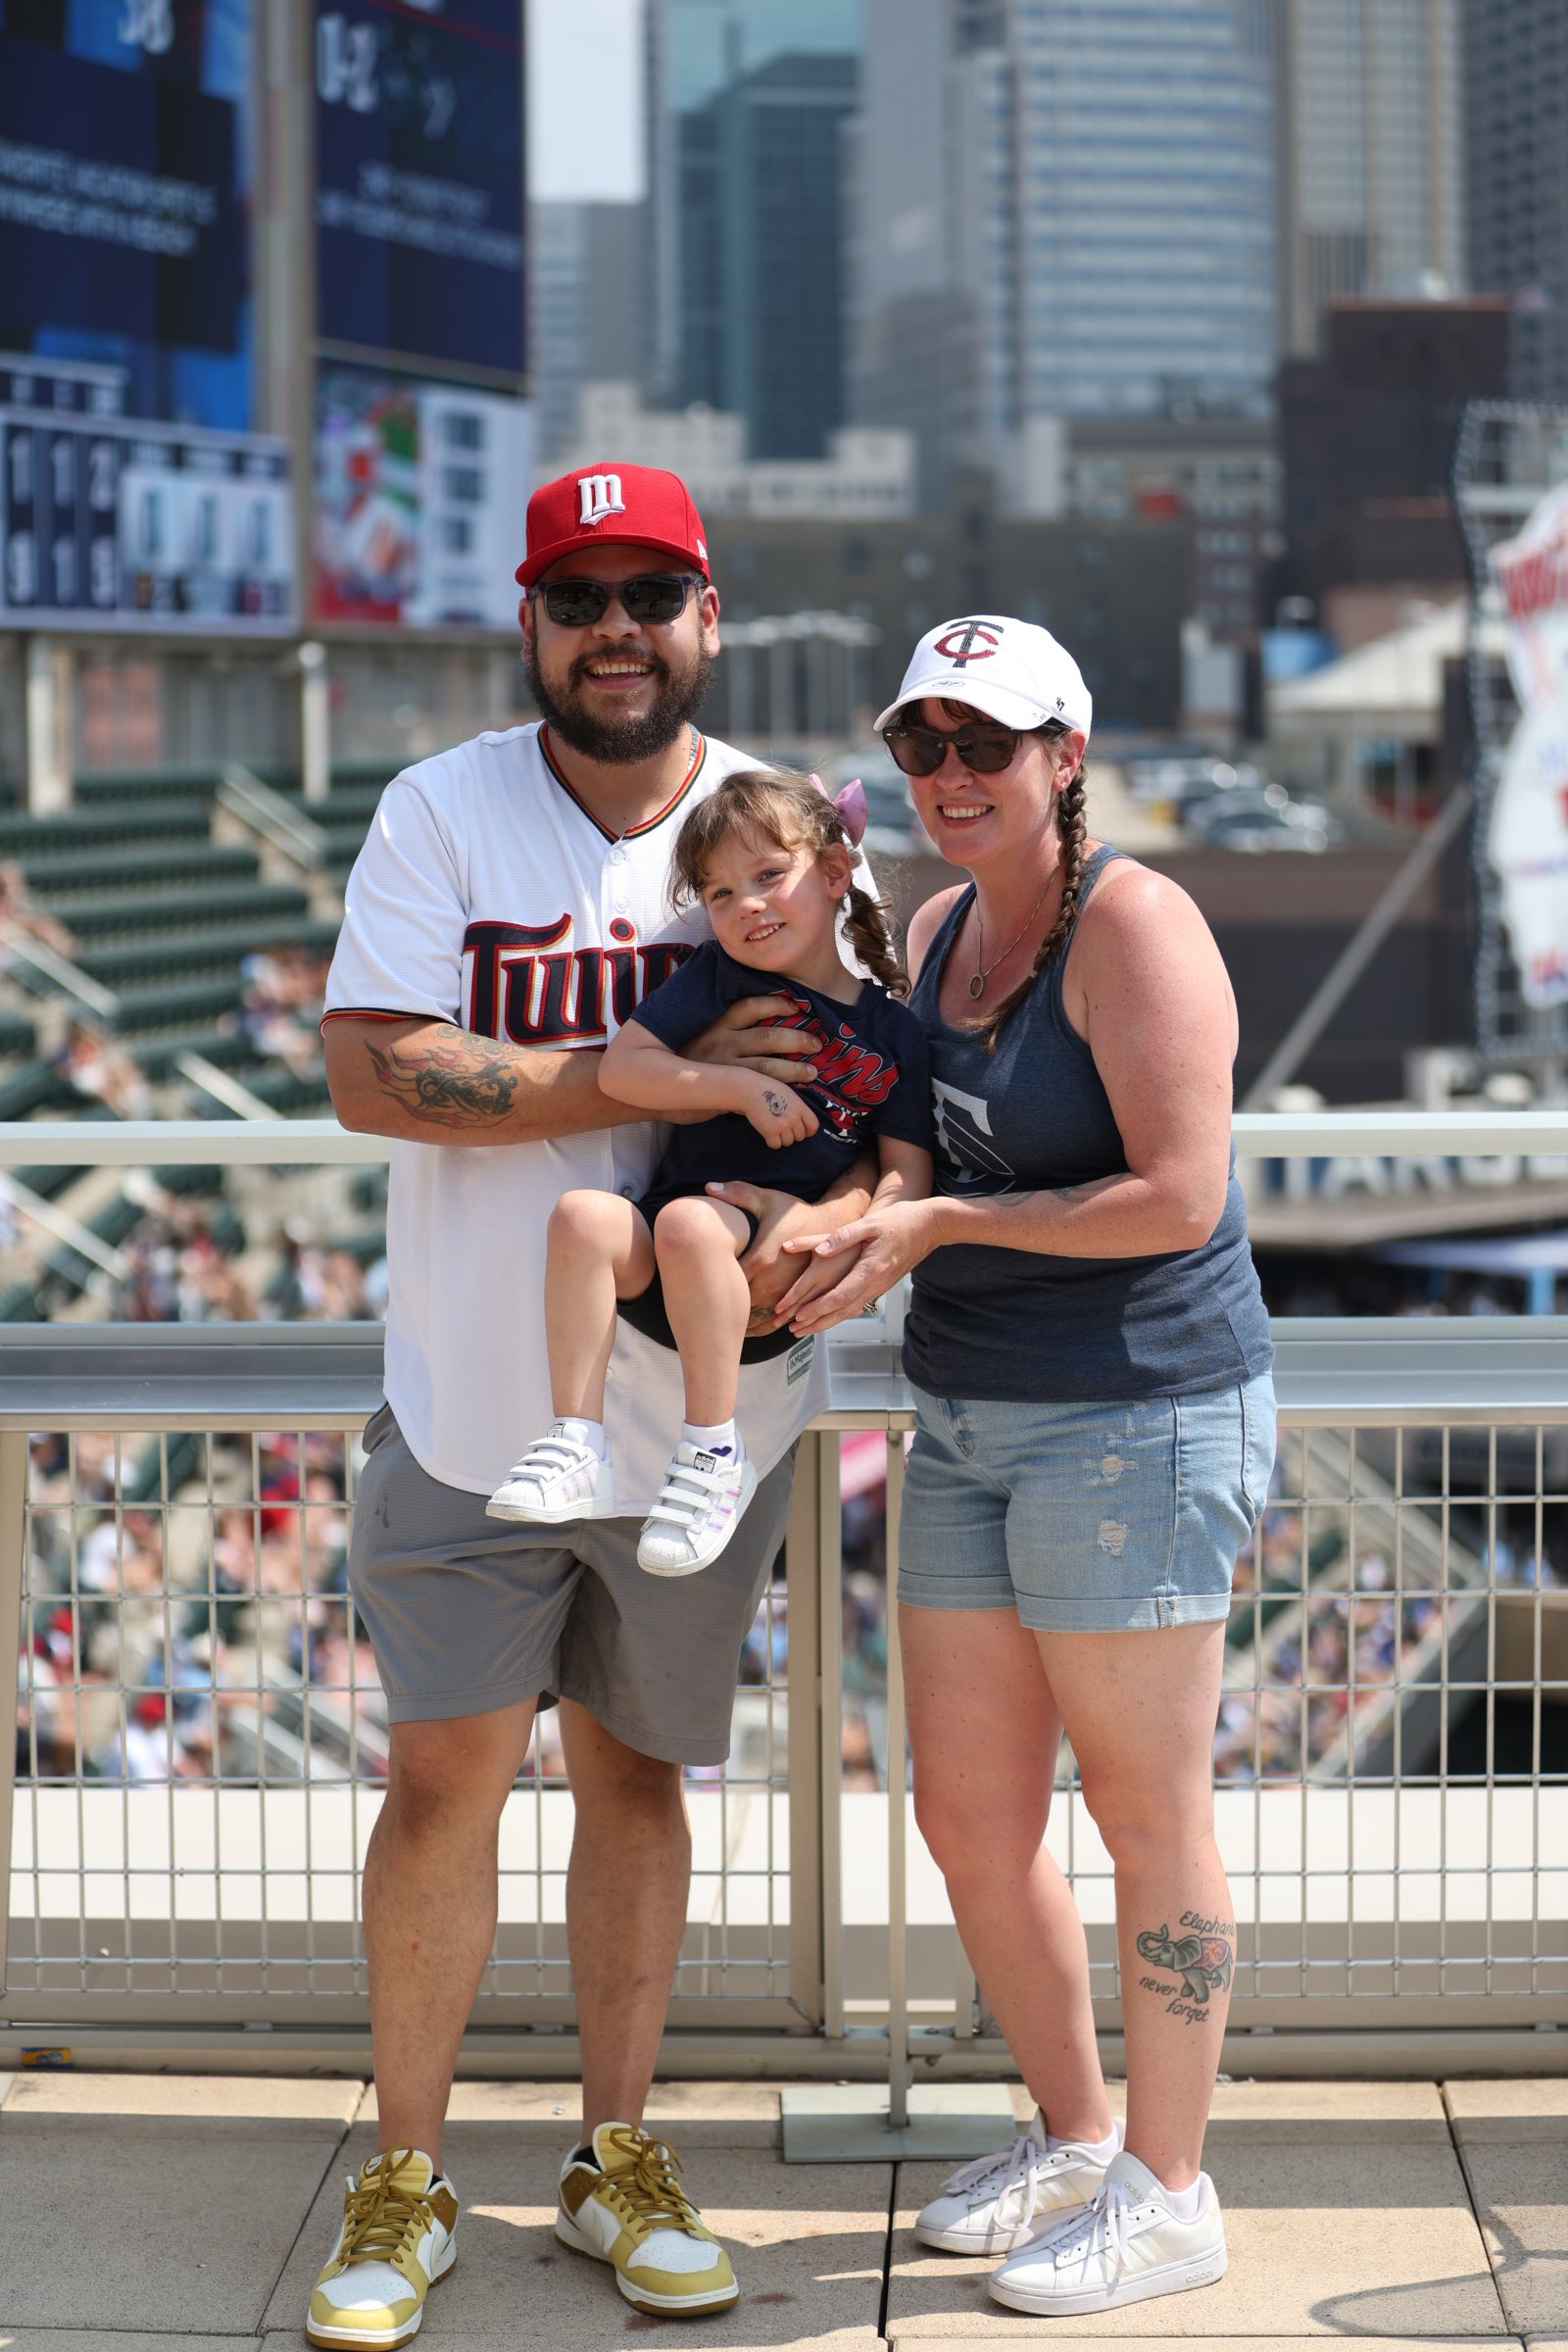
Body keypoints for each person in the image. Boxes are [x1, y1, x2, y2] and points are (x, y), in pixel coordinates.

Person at [312, 463, 873, 2348]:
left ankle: (612, 2154)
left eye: (651, 591)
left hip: (701, 1427)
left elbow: (874, 1084)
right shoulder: (444, 805)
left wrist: (831, 1203)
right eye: (580, 594)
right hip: (480, 1396)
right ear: (533, 623)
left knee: (639, 1780)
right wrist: (638, 1075)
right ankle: (405, 2174)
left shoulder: (769, 832)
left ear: (709, 613)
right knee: (440, 1782)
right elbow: (374, 1075)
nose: (615, 627)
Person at [784, 616, 1276, 2319]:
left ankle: (1173, 2184)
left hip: (1136, 1408)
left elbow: (1182, 1194)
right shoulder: (932, 930)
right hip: (972, 1407)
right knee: (968, 1813)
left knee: (1149, 1815)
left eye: (985, 743)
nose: (948, 776)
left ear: (1067, 754)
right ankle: (1078, 2135)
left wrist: (938, 1221)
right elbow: (913, 1151)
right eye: (921, 745)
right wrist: (847, 1223)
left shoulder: (1134, 922)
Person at [489, 766, 933, 1574]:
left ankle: (710, 1454)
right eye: (719, 894)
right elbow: (625, 1068)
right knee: (581, 1217)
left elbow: (908, 1174)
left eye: (769, 877)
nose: (745, 906)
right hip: (668, 1257)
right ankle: (575, 1440)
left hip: (763, 1284)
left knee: (695, 1222)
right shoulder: (719, 979)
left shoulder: (895, 1033)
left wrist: (842, 1241)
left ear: (836, 875)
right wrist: (742, 1086)